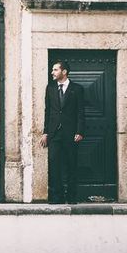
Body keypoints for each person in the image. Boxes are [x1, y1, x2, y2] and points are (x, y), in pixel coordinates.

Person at [39, 60, 85, 204]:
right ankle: (56, 197)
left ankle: (71, 197)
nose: (52, 72)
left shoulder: (77, 89)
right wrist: (45, 132)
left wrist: (79, 131)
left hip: (71, 134)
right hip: (54, 134)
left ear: (64, 72)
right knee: (54, 164)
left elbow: (80, 112)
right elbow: (48, 111)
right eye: (52, 70)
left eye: (55, 70)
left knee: (71, 165)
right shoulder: (50, 88)